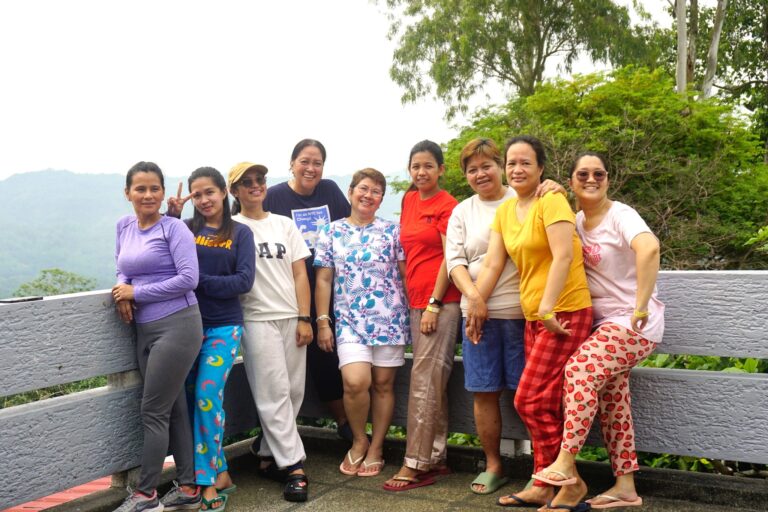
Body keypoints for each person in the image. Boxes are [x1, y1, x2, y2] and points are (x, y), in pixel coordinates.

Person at [530, 153, 664, 511]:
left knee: (579, 371)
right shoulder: (574, 220)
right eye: (582, 174)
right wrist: (555, 190)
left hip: (634, 324)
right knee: (612, 400)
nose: (592, 179)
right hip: (604, 326)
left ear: (608, 179)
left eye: (599, 174)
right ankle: (625, 487)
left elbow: (649, 247)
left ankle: (565, 461)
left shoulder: (620, 214)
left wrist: (640, 304)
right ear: (572, 181)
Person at [469, 136, 593, 509]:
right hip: (535, 316)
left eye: (526, 163)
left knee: (529, 399)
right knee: (545, 403)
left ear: (541, 168)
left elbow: (562, 255)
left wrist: (549, 308)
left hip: (565, 312)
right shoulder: (506, 212)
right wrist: (476, 304)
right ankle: (545, 483)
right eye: (511, 163)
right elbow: (492, 264)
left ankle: (568, 481)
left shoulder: (551, 200)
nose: (517, 169)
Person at [445, 138, 562, 496]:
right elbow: (454, 263)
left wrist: (555, 187)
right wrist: (475, 299)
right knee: (483, 391)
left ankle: (542, 467)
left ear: (501, 166)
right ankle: (494, 463)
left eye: (487, 166)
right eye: (472, 169)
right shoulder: (463, 211)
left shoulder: (526, 196)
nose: (481, 174)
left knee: (529, 393)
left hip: (520, 312)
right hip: (476, 317)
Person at [112, 162, 203, 512]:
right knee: (173, 407)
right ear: (128, 193)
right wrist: (123, 286)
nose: (148, 195)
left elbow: (188, 279)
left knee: (152, 410)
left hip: (178, 324)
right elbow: (123, 266)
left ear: (163, 193)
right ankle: (190, 487)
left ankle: (146, 494)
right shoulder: (124, 227)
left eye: (154, 188)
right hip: (144, 329)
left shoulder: (174, 229)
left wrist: (135, 294)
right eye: (140, 189)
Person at [314, 168, 410, 478]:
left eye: (376, 192)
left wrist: (420, 313)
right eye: (363, 189)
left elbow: (405, 275)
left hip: (390, 318)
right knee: (354, 382)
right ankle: (358, 440)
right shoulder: (331, 231)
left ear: (381, 200)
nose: (368, 195)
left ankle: (377, 446)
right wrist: (323, 321)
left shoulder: (393, 231)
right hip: (349, 322)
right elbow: (324, 280)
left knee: (383, 385)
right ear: (352, 192)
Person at [229, 162, 313, 502]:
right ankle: (294, 466)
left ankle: (266, 452)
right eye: (246, 182)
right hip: (256, 318)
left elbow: (300, 275)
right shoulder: (231, 227)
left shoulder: (284, 224)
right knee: (273, 392)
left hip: (291, 316)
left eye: (259, 180)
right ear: (234, 191)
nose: (254, 186)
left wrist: (305, 317)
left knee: (293, 391)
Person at [173, 167, 256, 511]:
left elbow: (243, 281)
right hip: (187, 325)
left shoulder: (240, 233)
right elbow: (161, 256)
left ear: (224, 192)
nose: (204, 199)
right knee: (194, 400)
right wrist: (171, 215)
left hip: (224, 327)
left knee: (208, 395)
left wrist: (197, 280)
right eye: (197, 194)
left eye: (210, 192)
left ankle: (206, 483)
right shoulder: (184, 229)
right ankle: (220, 471)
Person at [384, 140, 462, 492]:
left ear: (441, 169)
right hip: (416, 300)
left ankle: (415, 463)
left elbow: (451, 258)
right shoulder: (409, 200)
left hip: (441, 302)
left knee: (423, 379)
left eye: (428, 165)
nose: (421, 172)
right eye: (416, 166)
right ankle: (436, 455)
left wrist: (434, 301)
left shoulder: (449, 206)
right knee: (432, 378)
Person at [262, 139, 351, 439]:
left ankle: (347, 424)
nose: (310, 168)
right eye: (304, 161)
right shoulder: (273, 197)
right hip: (289, 294)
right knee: (295, 363)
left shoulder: (330, 192)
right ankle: (279, 435)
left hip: (332, 292)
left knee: (333, 356)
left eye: (317, 163)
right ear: (291, 163)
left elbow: (348, 230)